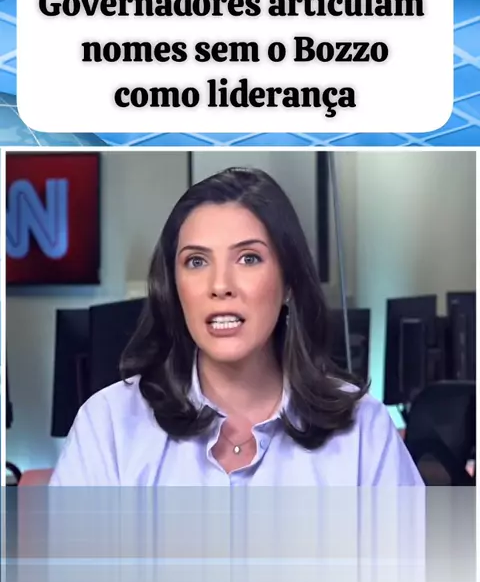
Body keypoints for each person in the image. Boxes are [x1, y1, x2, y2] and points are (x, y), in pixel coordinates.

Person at [50, 167, 423, 487]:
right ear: (174, 287)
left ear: (289, 281)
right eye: (196, 262)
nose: (220, 286)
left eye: (248, 258)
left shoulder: (364, 430)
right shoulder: (109, 425)